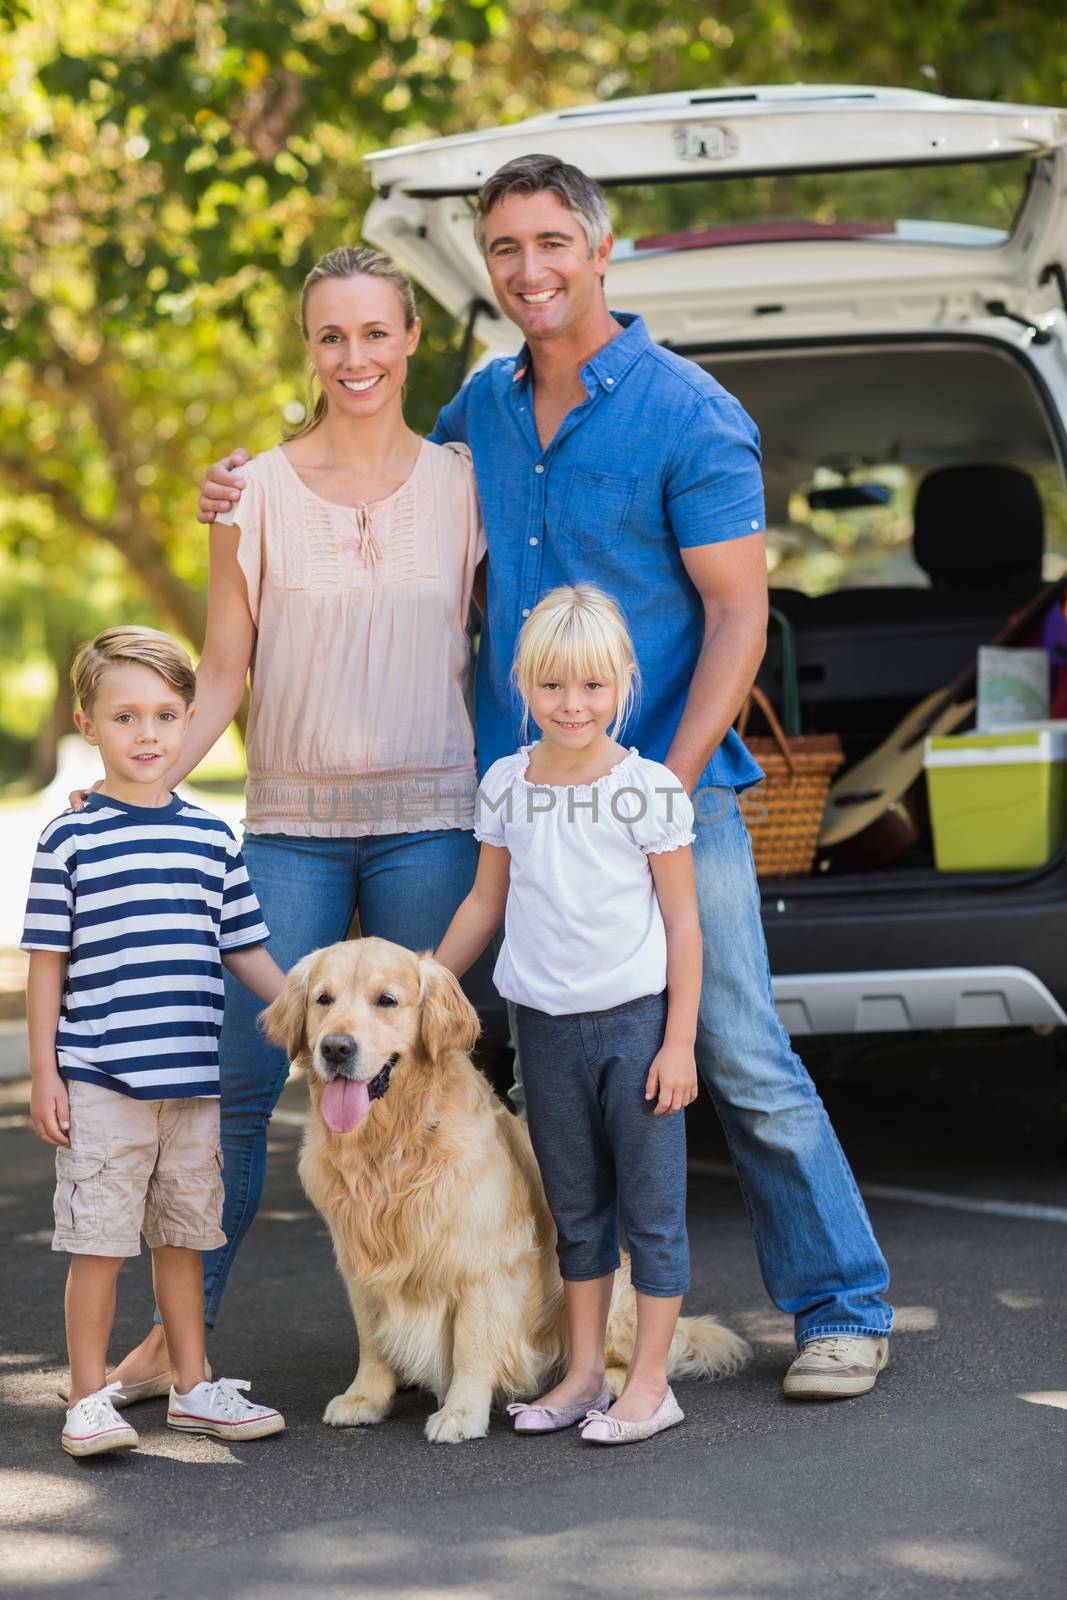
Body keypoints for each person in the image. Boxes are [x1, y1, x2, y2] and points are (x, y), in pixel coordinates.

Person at [198, 157, 893, 1399]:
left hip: (663, 797)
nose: (528, 269)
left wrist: (662, 788)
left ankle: (842, 1303)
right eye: (506, 248)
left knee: (730, 1046)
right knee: (521, 1063)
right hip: (512, 800)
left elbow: (740, 615)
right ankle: (548, 1334)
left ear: (599, 250)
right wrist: (250, 487)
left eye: (550, 244)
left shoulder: (688, 413)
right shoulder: (482, 409)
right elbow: (380, 479)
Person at [73, 246, 486, 1402]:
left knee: (437, 1084)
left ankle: (459, 1334)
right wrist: (142, 783)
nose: (354, 357)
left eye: (374, 333)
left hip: (431, 824)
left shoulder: (463, 481)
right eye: (329, 336)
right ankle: (176, 1343)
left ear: (411, 341)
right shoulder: (248, 491)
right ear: (307, 349)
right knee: (230, 1094)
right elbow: (221, 667)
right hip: (289, 828)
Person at [435, 585, 700, 1444]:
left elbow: (682, 923)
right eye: (551, 686)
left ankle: (649, 1383)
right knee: (575, 1213)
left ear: (625, 680)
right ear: (519, 681)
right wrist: (429, 982)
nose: (572, 705)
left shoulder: (648, 790)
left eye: (591, 686)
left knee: (651, 1212)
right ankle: (586, 1373)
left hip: (635, 1031)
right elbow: (484, 902)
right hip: (543, 1032)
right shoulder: (507, 783)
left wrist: (679, 1041)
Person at [24, 627, 286, 1457]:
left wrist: (311, 1017)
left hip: (191, 1084)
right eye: (125, 716)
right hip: (101, 1079)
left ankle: (192, 1386)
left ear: (188, 721)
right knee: (99, 1244)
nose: (147, 734)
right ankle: (88, 1396)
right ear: (87, 724)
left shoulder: (212, 839)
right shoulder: (67, 839)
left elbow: (244, 948)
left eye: (166, 715)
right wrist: (44, 1074)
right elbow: (46, 966)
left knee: (185, 1237)